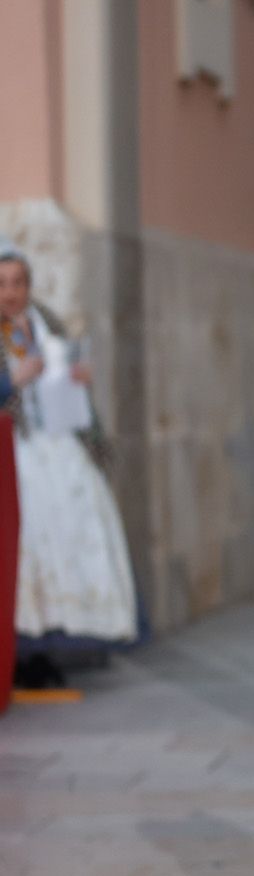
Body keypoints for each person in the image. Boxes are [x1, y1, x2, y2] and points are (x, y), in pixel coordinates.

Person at [1, 243, 140, 689]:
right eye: (2, 284)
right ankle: (22, 652)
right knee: (30, 547)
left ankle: (51, 648)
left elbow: (66, 373)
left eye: (19, 282)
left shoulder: (48, 324)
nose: (11, 293)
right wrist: (11, 380)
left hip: (60, 444)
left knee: (75, 535)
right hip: (17, 453)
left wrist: (78, 378)